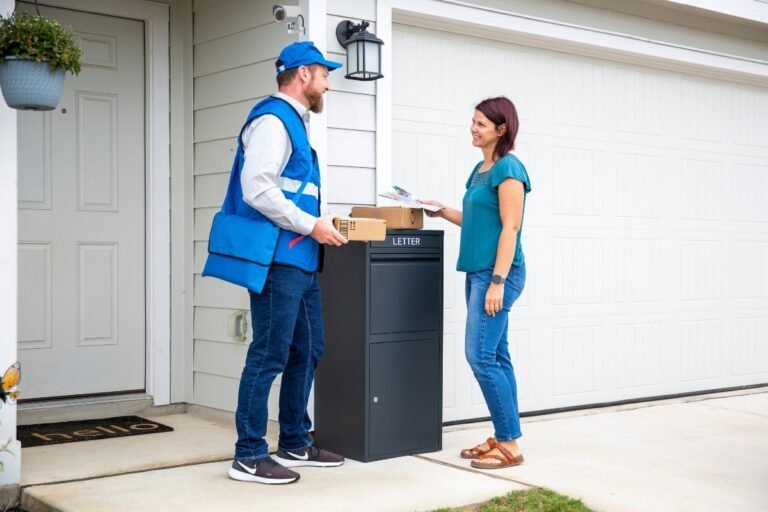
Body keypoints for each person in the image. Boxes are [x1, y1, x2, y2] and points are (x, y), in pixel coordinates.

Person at [205, 41, 348, 485]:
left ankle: (293, 441)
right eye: (324, 73)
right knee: (268, 354)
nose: (328, 81)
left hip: (300, 258)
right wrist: (311, 225)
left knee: (308, 350)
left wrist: (317, 227)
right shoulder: (273, 120)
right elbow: (258, 189)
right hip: (278, 258)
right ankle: (248, 455)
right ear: (303, 74)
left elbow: (290, 188)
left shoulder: (296, 124)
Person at [423, 96, 531, 470]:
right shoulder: (480, 170)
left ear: (501, 130)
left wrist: (498, 282)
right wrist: (441, 210)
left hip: (498, 273)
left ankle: (510, 445)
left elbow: (510, 228)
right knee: (497, 356)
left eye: (481, 124)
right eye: (472, 121)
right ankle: (505, 435)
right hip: (478, 271)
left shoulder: (509, 169)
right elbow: (477, 222)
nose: (473, 128)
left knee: (481, 356)